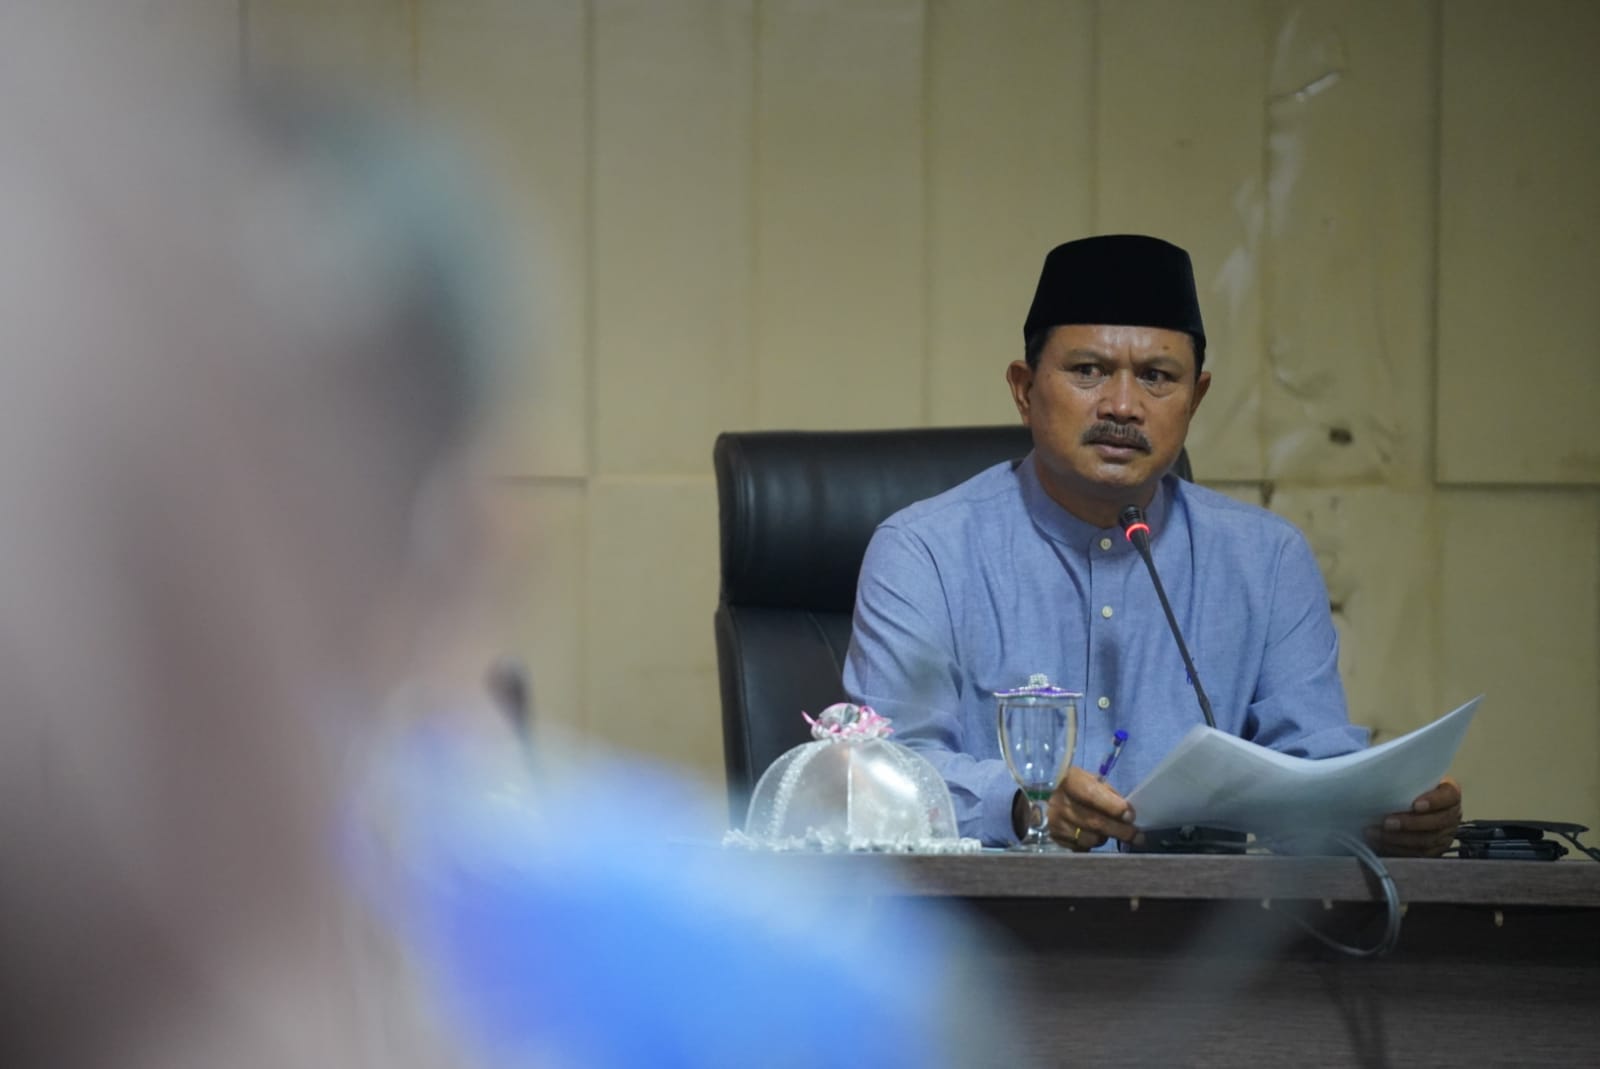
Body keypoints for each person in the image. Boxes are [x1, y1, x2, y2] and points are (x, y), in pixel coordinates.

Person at [842, 234, 1461, 856]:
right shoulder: (925, 553)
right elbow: (886, 777)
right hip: (986, 914)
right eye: (1088, 371)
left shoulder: (1266, 561)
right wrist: (1022, 803)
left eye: (1157, 378)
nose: (1123, 406)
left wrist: (1378, 815)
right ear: (1024, 390)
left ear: (1196, 399)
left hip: (1200, 913)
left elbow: (1313, 766)